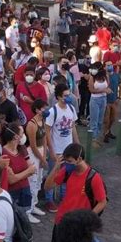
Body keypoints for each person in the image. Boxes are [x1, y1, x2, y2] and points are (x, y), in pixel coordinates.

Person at [38, 143, 107, 242]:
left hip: (80, 227)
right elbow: (47, 186)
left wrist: (88, 218)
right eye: (66, 161)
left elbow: (102, 202)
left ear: (80, 159)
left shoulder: (93, 177)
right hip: (61, 222)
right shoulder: (66, 172)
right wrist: (56, 166)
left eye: (70, 161)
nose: (67, 164)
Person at [44, 84, 79, 212]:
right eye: (65, 95)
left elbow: (73, 127)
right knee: (53, 175)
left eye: (69, 94)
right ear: (58, 97)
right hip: (57, 150)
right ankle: (49, 200)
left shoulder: (71, 108)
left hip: (69, 150)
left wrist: (77, 144)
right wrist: (51, 151)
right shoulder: (53, 112)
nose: (68, 97)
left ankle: (65, 198)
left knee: (68, 176)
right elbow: (47, 132)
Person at [1, 122, 38, 224]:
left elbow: (33, 169)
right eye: (22, 133)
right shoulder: (3, 153)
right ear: (16, 137)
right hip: (13, 193)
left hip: (24, 191)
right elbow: (11, 180)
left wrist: (19, 175)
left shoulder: (22, 149)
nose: (23, 136)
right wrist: (27, 172)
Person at [26, 98, 49, 219]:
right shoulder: (32, 124)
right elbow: (33, 145)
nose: (45, 110)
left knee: (38, 180)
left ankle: (34, 204)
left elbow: (44, 139)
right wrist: (42, 159)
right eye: (43, 108)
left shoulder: (42, 121)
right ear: (37, 110)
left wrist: (44, 155)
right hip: (33, 154)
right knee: (32, 181)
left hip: (40, 152)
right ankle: (28, 210)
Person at [88, 63, 109, 145]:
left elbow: (107, 85)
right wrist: (103, 91)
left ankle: (97, 136)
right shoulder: (92, 78)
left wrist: (107, 90)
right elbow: (91, 90)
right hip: (95, 100)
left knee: (100, 120)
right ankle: (93, 139)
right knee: (94, 120)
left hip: (103, 99)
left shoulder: (105, 77)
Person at [103, 60, 121, 142]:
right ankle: (105, 133)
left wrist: (119, 97)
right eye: (107, 65)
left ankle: (108, 131)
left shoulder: (116, 75)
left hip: (114, 101)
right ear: (105, 67)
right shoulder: (103, 77)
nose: (109, 66)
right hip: (106, 101)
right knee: (106, 119)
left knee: (113, 118)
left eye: (110, 65)